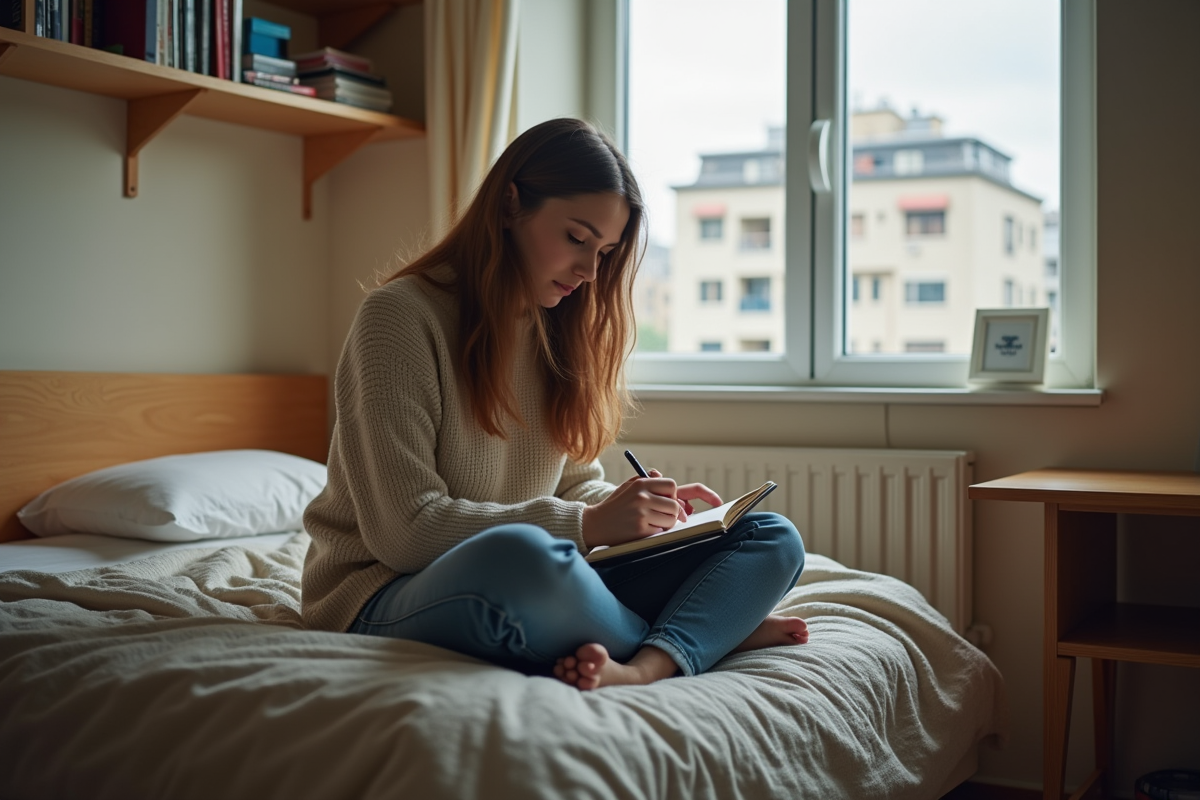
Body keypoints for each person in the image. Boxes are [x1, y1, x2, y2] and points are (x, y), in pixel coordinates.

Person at [301, 117, 808, 690]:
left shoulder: (555, 330)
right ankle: (702, 633)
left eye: (607, 251)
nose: (591, 272)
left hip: (531, 566)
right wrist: (590, 523)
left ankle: (651, 660)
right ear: (510, 204)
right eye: (576, 238)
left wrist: (640, 515)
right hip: (382, 592)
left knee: (769, 537)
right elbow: (405, 531)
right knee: (527, 560)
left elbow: (568, 488)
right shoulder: (398, 319)